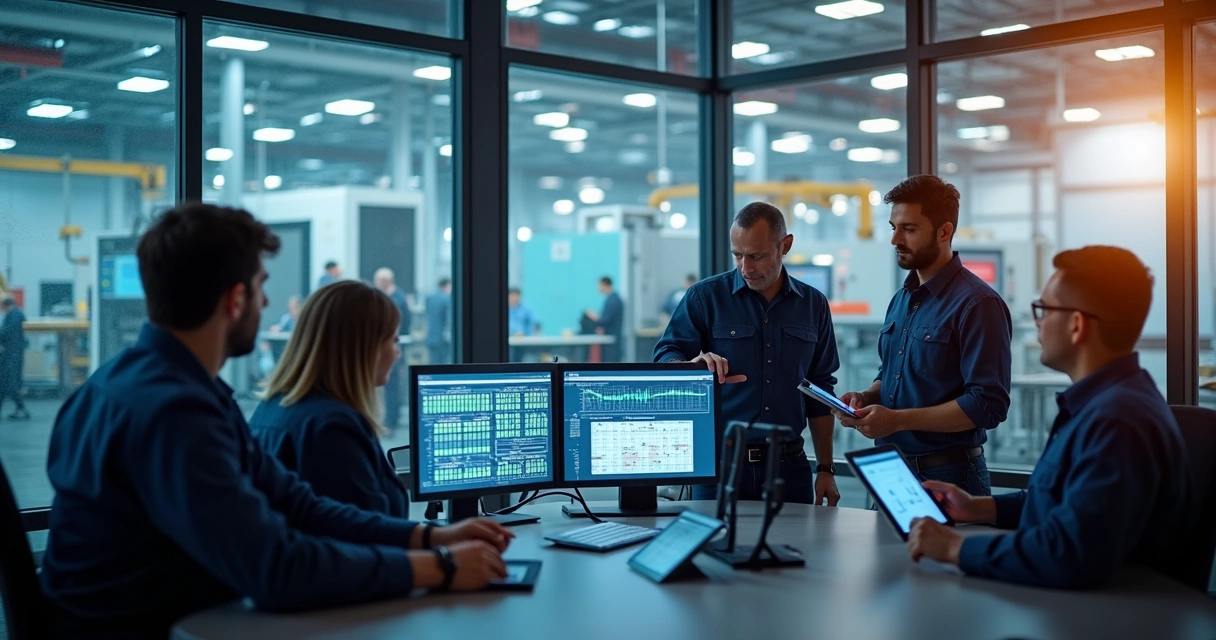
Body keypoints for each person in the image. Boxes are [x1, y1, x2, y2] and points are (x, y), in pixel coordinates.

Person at [40, 203, 512, 639]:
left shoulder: (135, 384)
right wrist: (442, 568)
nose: (267, 304)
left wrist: (431, 536)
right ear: (235, 300)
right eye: (262, 285)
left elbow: (297, 504)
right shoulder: (172, 414)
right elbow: (277, 570)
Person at [907, 246, 1196, 589]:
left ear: (1076, 325)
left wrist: (956, 547)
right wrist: (978, 508)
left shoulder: (1117, 421)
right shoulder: (1104, 404)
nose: (1037, 321)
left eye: (1043, 309)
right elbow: (1066, 505)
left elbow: (1070, 553)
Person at [654, 202, 841, 506]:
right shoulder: (705, 297)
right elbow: (665, 355)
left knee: (796, 551)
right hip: (721, 467)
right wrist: (691, 366)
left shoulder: (813, 305)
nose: (745, 267)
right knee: (711, 551)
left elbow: (820, 390)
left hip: (789, 469)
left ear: (785, 246)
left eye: (756, 256)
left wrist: (825, 468)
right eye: (737, 255)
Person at [836, 175, 1011, 496]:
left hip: (950, 477)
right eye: (893, 228)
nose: (895, 240)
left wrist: (898, 420)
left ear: (944, 231)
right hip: (892, 471)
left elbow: (988, 405)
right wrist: (868, 397)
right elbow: (891, 374)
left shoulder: (978, 304)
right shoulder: (902, 299)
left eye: (909, 229)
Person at [250, 280, 407, 516]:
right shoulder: (333, 428)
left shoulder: (271, 407)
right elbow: (365, 535)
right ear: (365, 348)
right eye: (393, 340)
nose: (398, 352)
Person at [374, 267, 412, 428]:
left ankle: (391, 420)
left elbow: (405, 323)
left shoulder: (398, 298)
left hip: (393, 345)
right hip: (382, 345)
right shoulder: (380, 297)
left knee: (392, 383)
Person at [0, 295, 29, 421]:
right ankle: (20, 409)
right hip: (14, 353)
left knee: (8, 383)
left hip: (10, 354)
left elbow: (5, 333)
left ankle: (21, 409)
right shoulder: (16, 314)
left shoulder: (12, 316)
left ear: (5, 306)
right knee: (7, 383)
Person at [585, 276, 624, 362]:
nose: (598, 288)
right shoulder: (611, 299)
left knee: (611, 365)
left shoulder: (614, 300)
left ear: (605, 285)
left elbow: (605, 320)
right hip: (610, 339)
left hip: (612, 340)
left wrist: (594, 317)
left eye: (599, 285)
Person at [426, 278, 452, 364]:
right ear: (446, 286)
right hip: (442, 339)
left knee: (433, 363)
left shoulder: (429, 298)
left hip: (431, 337)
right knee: (443, 364)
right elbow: (449, 320)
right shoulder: (446, 299)